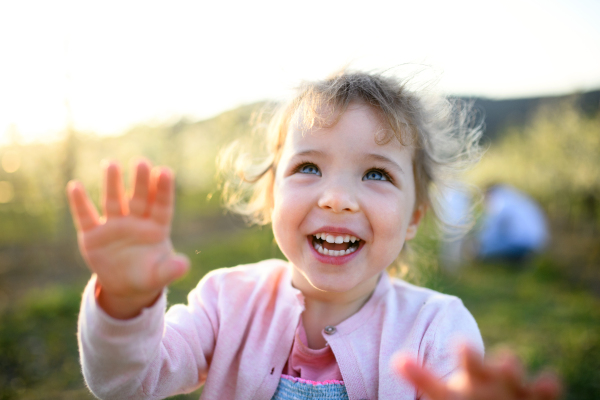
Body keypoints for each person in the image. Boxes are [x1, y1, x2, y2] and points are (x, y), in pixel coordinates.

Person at [67, 71, 560, 399]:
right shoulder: (227, 300)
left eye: (376, 174)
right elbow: (127, 382)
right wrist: (125, 306)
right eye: (308, 167)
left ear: (414, 217)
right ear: (270, 199)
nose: (336, 198)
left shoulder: (436, 328)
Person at [476, 184, 549, 263]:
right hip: (537, 242)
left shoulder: (500, 201)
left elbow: (493, 227)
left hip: (521, 241)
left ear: (490, 195)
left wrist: (479, 246)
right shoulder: (515, 197)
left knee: (481, 249)